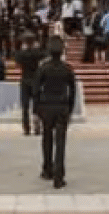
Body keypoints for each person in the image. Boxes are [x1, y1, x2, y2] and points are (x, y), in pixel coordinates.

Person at [34, 37, 78, 188]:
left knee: (47, 138)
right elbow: (72, 90)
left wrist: (36, 109)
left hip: (46, 106)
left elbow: (36, 90)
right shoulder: (67, 69)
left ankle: (47, 168)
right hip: (62, 105)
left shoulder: (43, 68)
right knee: (60, 142)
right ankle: (59, 176)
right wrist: (70, 108)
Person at [14, 33, 45, 135]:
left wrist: (24, 49)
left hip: (25, 80)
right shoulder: (37, 53)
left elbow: (16, 58)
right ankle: (37, 126)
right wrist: (36, 48)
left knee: (25, 106)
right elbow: (44, 54)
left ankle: (26, 128)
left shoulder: (22, 54)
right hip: (36, 80)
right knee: (37, 105)